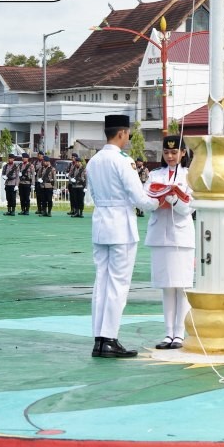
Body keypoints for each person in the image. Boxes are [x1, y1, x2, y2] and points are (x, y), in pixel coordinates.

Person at [88, 115, 160, 359]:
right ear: (121, 133)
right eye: (128, 133)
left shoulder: (94, 160)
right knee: (118, 284)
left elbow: (92, 196)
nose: (128, 137)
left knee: (102, 282)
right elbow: (139, 197)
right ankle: (109, 337)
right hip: (120, 225)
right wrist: (158, 201)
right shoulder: (123, 161)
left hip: (100, 224)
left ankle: (99, 338)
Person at [145, 135, 194, 350]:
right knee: (166, 286)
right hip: (159, 233)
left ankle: (180, 333)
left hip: (181, 235)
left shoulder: (190, 176)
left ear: (183, 152)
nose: (171, 156)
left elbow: (190, 208)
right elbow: (146, 202)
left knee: (181, 285)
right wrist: (158, 200)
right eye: (167, 152)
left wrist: (174, 199)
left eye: (175, 152)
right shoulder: (155, 174)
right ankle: (168, 333)